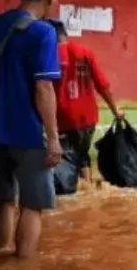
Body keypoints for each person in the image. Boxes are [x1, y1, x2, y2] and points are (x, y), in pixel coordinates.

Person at [0, 0, 63, 259]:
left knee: (4, 200)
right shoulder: (43, 32)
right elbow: (43, 87)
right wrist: (53, 138)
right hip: (28, 133)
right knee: (32, 205)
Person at [48, 20, 124, 184]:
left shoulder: (49, 55)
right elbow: (102, 85)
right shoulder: (84, 52)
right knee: (82, 155)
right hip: (86, 118)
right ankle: (87, 190)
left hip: (61, 118)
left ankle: (72, 192)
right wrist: (115, 109)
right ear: (64, 34)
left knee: (65, 159)